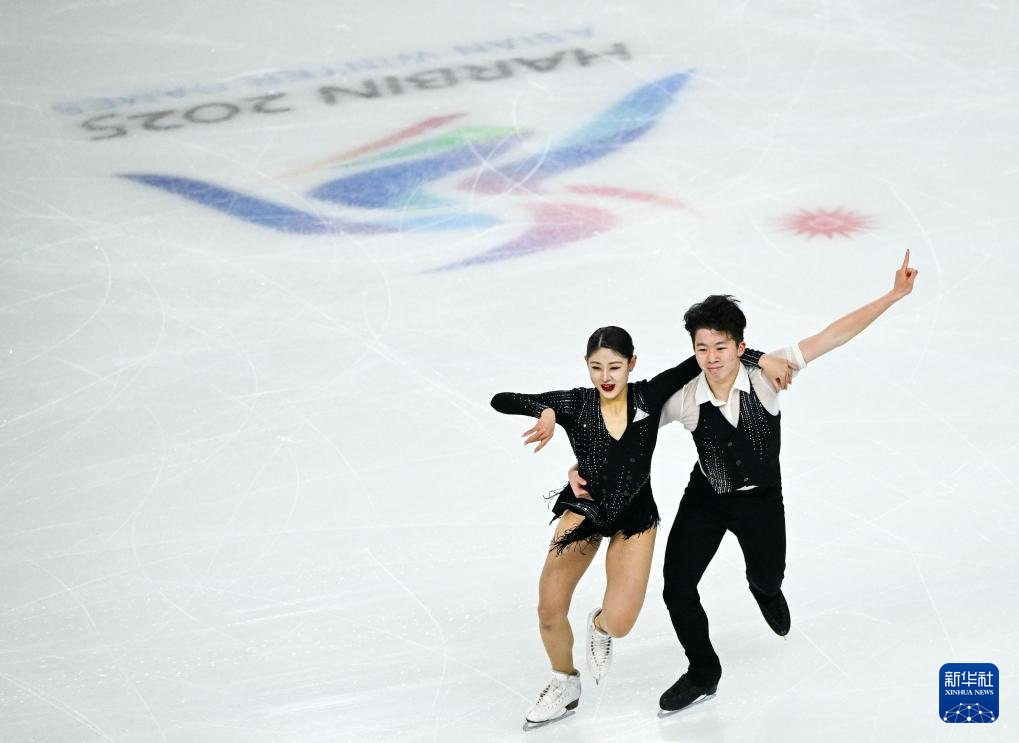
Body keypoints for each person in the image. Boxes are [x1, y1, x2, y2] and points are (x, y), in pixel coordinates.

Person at [642, 250, 917, 713]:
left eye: (721, 347)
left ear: (740, 346)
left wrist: (894, 295)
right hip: (706, 498)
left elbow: (833, 335)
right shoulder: (685, 397)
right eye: (702, 349)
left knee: (768, 578)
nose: (711, 358)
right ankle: (704, 672)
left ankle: (764, 590)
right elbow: (633, 426)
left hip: (761, 502)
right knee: (676, 588)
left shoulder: (767, 375)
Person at [490, 328, 792, 726]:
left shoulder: (649, 397)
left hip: (634, 518)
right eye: (596, 367)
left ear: (632, 364)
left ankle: (599, 626)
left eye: (615, 366)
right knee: (548, 608)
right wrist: (544, 410)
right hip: (586, 509)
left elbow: (707, 358)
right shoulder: (575, 403)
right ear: (586, 366)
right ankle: (564, 682)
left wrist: (759, 358)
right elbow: (502, 400)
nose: (606, 376)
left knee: (620, 622)